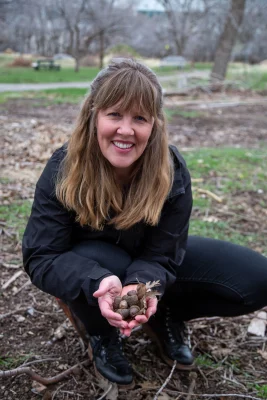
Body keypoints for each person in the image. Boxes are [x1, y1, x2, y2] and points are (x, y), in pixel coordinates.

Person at [22, 58, 267, 388]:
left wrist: (143, 286)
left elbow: (163, 254)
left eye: (140, 117)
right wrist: (96, 280)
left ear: (155, 125)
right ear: (93, 116)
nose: (126, 129)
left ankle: (165, 315)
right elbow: (40, 256)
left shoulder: (171, 169)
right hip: (92, 268)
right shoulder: (64, 169)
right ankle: (101, 333)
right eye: (114, 115)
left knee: (256, 279)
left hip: (144, 262)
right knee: (107, 261)